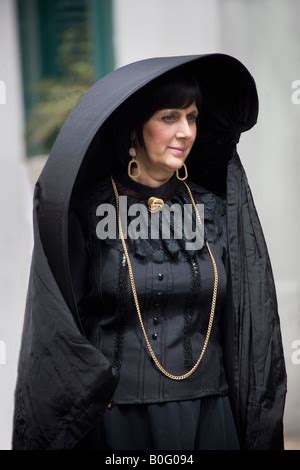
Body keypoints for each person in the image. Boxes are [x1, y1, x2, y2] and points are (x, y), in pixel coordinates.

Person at [12, 53, 287, 450]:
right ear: (136, 128)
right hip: (118, 422)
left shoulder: (214, 209)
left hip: (210, 416)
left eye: (192, 117)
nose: (185, 131)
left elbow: (248, 316)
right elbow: (59, 322)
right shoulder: (89, 212)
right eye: (169, 117)